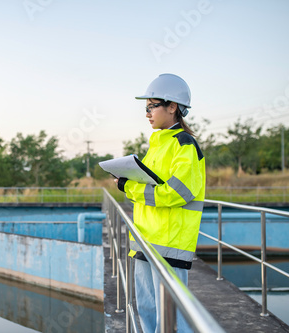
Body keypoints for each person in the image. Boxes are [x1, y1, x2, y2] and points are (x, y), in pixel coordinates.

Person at [114, 73, 205, 333]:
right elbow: (151, 186)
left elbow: (175, 194)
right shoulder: (156, 145)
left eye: (151, 106)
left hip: (169, 243)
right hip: (145, 239)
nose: (147, 113)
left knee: (175, 317)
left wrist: (128, 186)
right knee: (147, 308)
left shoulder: (184, 146)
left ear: (172, 107)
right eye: (146, 108)